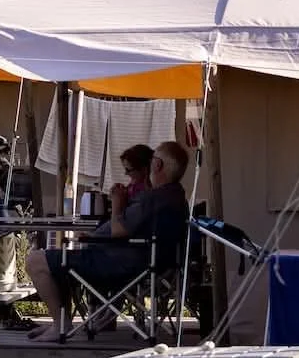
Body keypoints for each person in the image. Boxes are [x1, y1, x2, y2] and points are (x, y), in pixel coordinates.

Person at [26, 140, 190, 332]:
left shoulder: (152, 199)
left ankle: (60, 324)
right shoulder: (177, 198)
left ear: (157, 164)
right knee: (60, 261)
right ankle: (59, 323)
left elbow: (119, 229)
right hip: (147, 264)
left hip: (118, 264)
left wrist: (117, 204)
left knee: (36, 260)